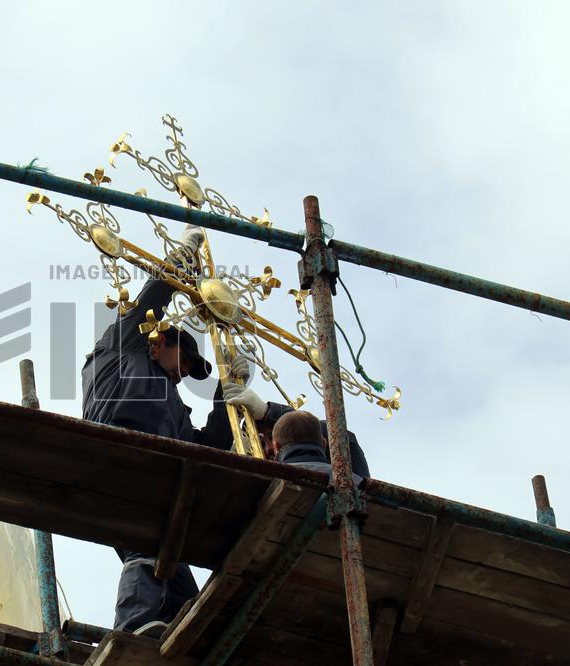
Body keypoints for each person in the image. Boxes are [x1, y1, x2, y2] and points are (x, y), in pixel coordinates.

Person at [81, 225, 254, 636]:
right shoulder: (121, 348)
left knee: (172, 566)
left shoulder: (172, 403)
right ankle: (136, 623)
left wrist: (226, 396)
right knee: (148, 544)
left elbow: (205, 445)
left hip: (157, 473)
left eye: (192, 370)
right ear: (156, 343)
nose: (184, 372)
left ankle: (180, 632)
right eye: (185, 359)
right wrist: (185, 256)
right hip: (119, 453)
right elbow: (156, 294)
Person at [221, 384, 370, 478]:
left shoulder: (345, 475)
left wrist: (269, 413)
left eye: (270, 437)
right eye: (260, 443)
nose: (269, 449)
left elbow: (342, 438)